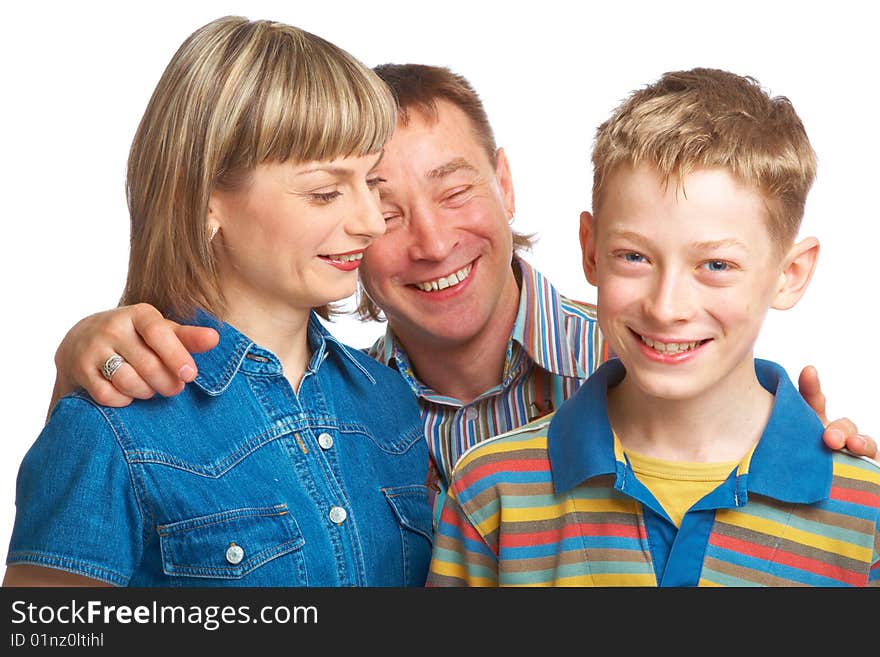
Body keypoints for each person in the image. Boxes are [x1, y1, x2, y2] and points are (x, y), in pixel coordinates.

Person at [45, 64, 876, 502]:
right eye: (379, 202)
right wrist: (80, 359)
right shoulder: (341, 409)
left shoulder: (653, 345)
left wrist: (814, 457)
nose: (434, 241)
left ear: (506, 184)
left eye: (453, 190)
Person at [3, 16, 433, 587]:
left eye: (372, 183)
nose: (371, 221)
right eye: (325, 191)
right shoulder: (108, 425)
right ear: (206, 200)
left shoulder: (390, 403)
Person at [427, 67, 880, 587]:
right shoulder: (492, 490)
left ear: (790, 274)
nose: (667, 307)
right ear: (590, 251)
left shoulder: (864, 512)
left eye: (716, 266)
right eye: (634, 257)